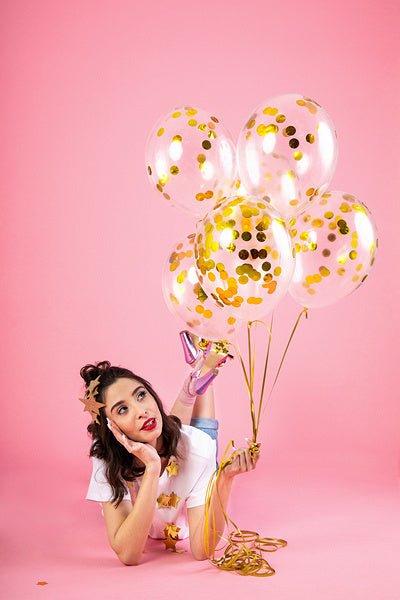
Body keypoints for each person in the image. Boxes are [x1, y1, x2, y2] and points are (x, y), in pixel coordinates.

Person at [82, 331, 259, 566]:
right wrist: (152, 467)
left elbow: (202, 550)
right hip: (174, 439)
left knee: (202, 436)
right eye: (122, 409)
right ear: (111, 426)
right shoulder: (106, 457)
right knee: (177, 429)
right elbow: (128, 555)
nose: (141, 410)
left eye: (141, 395)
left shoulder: (197, 449)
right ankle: (199, 367)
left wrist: (224, 479)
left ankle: (202, 354)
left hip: (190, 447)